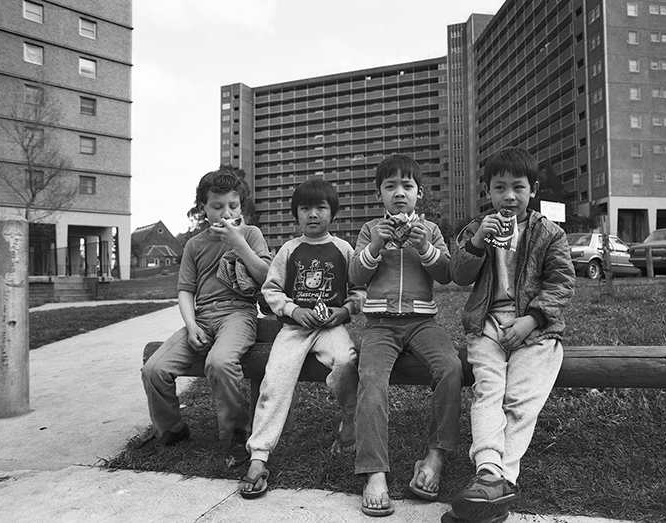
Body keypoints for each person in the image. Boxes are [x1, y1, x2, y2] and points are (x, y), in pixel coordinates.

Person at [445, 147, 575, 523]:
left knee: (520, 399)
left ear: (532, 190)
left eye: (518, 187)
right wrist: (476, 243)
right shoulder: (477, 229)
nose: (509, 197)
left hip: (536, 329)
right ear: (488, 192)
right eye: (499, 188)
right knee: (488, 389)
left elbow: (562, 282)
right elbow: (459, 275)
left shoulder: (549, 232)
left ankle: (494, 482)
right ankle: (489, 474)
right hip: (487, 323)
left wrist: (531, 320)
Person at [350, 155, 463, 517]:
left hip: (422, 323)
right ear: (379, 194)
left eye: (407, 186)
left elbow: (446, 274)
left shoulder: (429, 230)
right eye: (390, 187)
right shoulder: (371, 229)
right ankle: (374, 472)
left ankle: (435, 455)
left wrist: (424, 248)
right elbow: (355, 275)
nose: (399, 193)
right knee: (370, 379)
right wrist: (373, 248)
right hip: (380, 324)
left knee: (450, 368)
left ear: (419, 193)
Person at [238, 178, 363, 499]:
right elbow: (271, 290)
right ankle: (259, 456)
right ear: (296, 214)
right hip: (295, 329)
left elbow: (359, 290)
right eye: (305, 208)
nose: (312, 214)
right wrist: (294, 311)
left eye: (320, 207)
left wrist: (344, 311)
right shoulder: (289, 250)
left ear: (332, 213)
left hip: (330, 327)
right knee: (275, 379)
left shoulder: (344, 249)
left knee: (347, 361)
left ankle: (349, 421)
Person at [139, 168, 272, 467]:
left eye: (233, 206)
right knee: (154, 369)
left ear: (241, 207)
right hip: (202, 317)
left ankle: (238, 434)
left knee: (220, 362)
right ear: (203, 209)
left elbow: (265, 277)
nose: (226, 213)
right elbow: (185, 291)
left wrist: (239, 243)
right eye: (217, 206)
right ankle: (172, 430)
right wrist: (191, 325)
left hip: (238, 314)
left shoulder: (250, 234)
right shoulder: (194, 245)